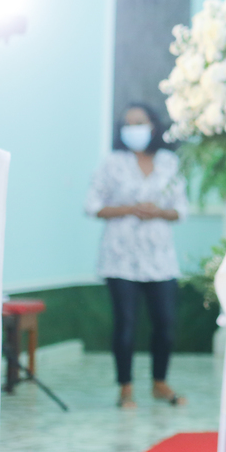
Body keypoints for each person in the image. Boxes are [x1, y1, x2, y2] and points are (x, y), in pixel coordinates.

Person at [85, 103, 188, 409]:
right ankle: (125, 388)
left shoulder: (169, 162)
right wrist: (129, 209)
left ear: (153, 126)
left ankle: (160, 383)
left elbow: (180, 209)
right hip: (120, 257)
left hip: (160, 258)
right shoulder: (112, 163)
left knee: (165, 324)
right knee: (125, 324)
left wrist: (158, 212)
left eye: (139, 122)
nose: (134, 129)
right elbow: (92, 206)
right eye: (127, 124)